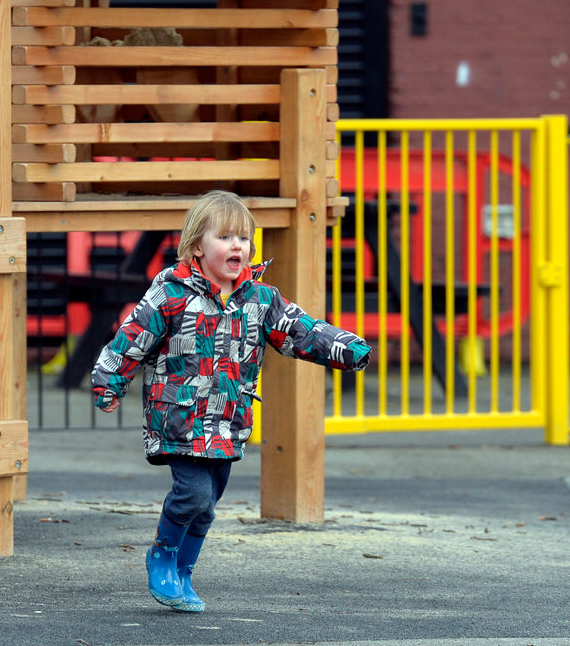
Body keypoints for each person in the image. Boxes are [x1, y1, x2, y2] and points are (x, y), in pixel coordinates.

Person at [91, 190, 371, 613]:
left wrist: (345, 348)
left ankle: (184, 571)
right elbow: (132, 337)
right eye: (225, 237)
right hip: (179, 419)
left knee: (207, 509)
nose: (237, 246)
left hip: (228, 421)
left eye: (243, 238)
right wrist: (109, 381)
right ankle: (163, 554)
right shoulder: (171, 296)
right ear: (197, 247)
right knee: (193, 496)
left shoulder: (260, 300)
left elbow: (301, 330)